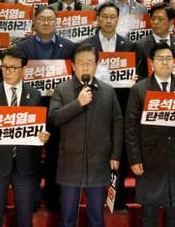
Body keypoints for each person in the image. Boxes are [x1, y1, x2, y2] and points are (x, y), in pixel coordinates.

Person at [126, 42, 175, 227]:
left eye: (169, 58)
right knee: (149, 213)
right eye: (160, 58)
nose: (165, 62)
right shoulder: (140, 89)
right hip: (150, 157)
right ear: (152, 62)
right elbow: (131, 128)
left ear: (174, 61)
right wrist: (134, 159)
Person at [49, 43, 123, 227]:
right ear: (73, 65)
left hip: (99, 163)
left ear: (96, 65)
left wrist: (115, 154)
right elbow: (54, 119)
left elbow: (117, 123)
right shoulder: (62, 89)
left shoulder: (108, 91)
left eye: (90, 62)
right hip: (70, 164)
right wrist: (78, 103)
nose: (85, 67)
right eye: (81, 63)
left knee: (96, 219)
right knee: (67, 219)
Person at [0, 48, 51, 227]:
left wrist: (44, 135)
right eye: (4, 67)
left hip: (25, 163)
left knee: (25, 217)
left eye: (13, 68)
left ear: (23, 69)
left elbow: (41, 125)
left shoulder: (35, 94)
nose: (7, 71)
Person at [133, 3, 175, 80]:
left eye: (160, 19)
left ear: (171, 22)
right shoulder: (140, 45)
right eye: (153, 18)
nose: (155, 22)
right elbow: (139, 75)